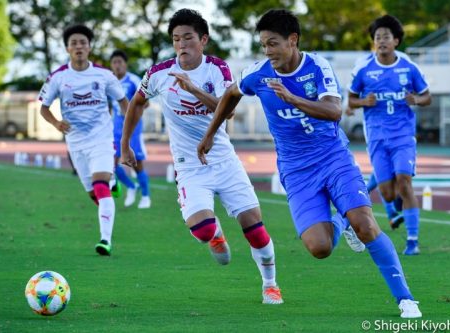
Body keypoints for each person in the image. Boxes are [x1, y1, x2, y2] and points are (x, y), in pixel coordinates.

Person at [198, 9, 422, 318]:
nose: (267, 51)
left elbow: (334, 111)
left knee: (367, 225)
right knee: (319, 248)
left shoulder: (317, 66)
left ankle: (406, 300)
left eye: (272, 43)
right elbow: (230, 94)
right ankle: (341, 221)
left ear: (292, 40)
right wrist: (211, 132)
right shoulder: (258, 73)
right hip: (296, 169)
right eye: (263, 44)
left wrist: (293, 99)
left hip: (333, 157)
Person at [120, 8, 283, 304]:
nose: (182, 44)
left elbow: (227, 109)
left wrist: (193, 89)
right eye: (176, 39)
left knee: (255, 229)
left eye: (188, 38)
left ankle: (270, 285)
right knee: (203, 229)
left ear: (203, 39)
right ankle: (216, 234)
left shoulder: (217, 69)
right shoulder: (159, 74)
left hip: (224, 161)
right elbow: (136, 104)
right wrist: (125, 145)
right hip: (189, 167)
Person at [38, 24, 128, 256]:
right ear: (68, 48)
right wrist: (56, 123)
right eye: (74, 43)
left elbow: (123, 102)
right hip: (76, 144)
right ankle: (112, 182)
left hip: (101, 139)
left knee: (100, 186)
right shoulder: (58, 77)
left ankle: (105, 240)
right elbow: (44, 108)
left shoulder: (104, 75)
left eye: (83, 42)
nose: (78, 46)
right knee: (95, 194)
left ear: (89, 47)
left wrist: (126, 129)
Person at [348, 15, 432, 255]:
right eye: (377, 37)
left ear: (396, 41)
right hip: (376, 137)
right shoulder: (365, 69)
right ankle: (397, 206)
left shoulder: (408, 67)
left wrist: (415, 99)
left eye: (386, 37)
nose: (381, 41)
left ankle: (412, 242)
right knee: (387, 192)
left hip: (403, 135)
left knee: (405, 182)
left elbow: (428, 96)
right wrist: (364, 101)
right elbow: (351, 101)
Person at [109, 50, 151, 209]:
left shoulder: (134, 80)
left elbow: (146, 102)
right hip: (116, 129)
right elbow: (109, 106)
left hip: (133, 127)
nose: (117, 65)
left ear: (125, 64)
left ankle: (146, 196)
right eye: (114, 62)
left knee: (137, 162)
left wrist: (133, 112)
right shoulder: (110, 82)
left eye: (120, 62)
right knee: (112, 164)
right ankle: (132, 187)